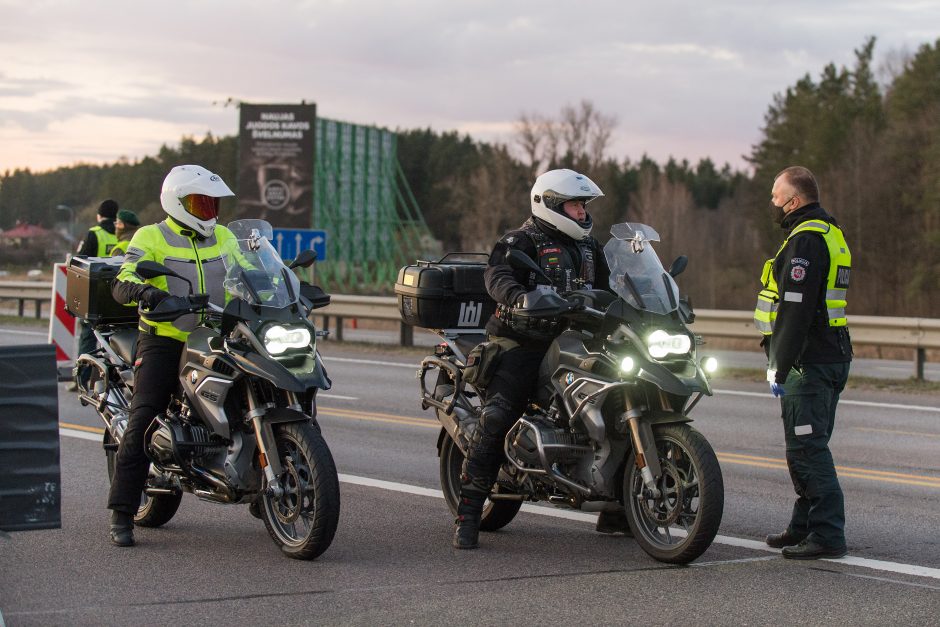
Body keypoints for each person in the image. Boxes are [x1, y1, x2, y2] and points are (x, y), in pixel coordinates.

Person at [453, 168, 626, 550]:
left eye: (583, 206)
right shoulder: (521, 240)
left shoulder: (589, 248)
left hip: (573, 339)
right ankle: (468, 512)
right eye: (575, 205)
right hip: (522, 341)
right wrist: (516, 296)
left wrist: (641, 303)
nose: (582, 213)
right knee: (498, 414)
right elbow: (496, 275)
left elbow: (610, 287)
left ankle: (619, 507)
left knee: (620, 401)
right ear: (549, 204)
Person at [106, 165, 236, 547]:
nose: (209, 211)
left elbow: (253, 270)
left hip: (215, 336)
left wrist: (285, 284)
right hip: (165, 338)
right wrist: (146, 293)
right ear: (177, 203)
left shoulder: (226, 237)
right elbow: (124, 278)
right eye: (200, 203)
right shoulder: (152, 236)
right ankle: (122, 512)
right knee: (144, 417)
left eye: (213, 204)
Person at [755, 166, 852, 560]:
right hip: (831, 354)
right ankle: (804, 524)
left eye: (776, 197)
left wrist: (780, 363)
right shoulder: (830, 232)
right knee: (806, 445)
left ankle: (827, 534)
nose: (773, 204)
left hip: (808, 361)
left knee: (808, 449)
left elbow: (795, 311)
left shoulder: (806, 240)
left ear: (794, 201)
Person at [73, 199, 120, 391]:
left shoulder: (94, 234)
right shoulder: (122, 234)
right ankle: (114, 379)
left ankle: (82, 379)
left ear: (99, 215)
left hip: (95, 295)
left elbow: (79, 264)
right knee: (116, 338)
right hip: (118, 294)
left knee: (88, 337)